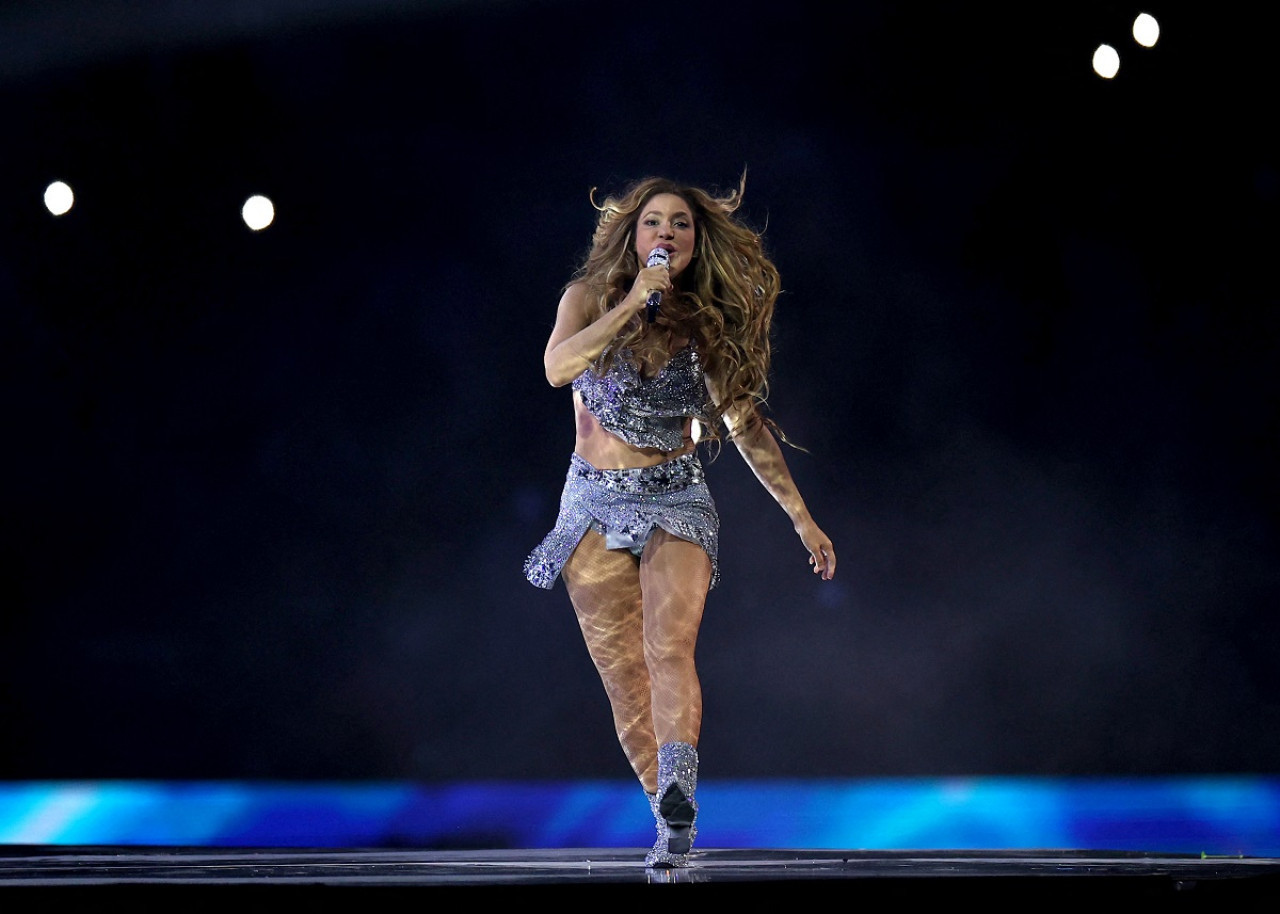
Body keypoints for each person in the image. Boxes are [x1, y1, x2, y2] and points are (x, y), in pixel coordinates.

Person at [523, 173, 836, 868]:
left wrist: (801, 518)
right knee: (625, 679)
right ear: (633, 235)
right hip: (593, 503)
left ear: (696, 243)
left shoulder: (708, 323)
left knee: (669, 649)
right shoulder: (585, 299)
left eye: (682, 224)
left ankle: (680, 790)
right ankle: (670, 822)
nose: (668, 232)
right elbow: (555, 367)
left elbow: (745, 427)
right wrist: (635, 301)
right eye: (655, 221)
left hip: (675, 496)